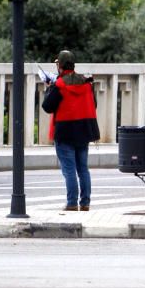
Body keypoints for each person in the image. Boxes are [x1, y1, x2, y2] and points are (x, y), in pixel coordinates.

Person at [41, 50, 100, 211]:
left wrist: (49, 88)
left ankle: (72, 203)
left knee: (69, 170)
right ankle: (85, 203)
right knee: (83, 169)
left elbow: (47, 107)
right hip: (84, 131)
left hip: (65, 132)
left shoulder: (59, 85)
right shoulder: (86, 83)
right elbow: (93, 105)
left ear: (59, 66)